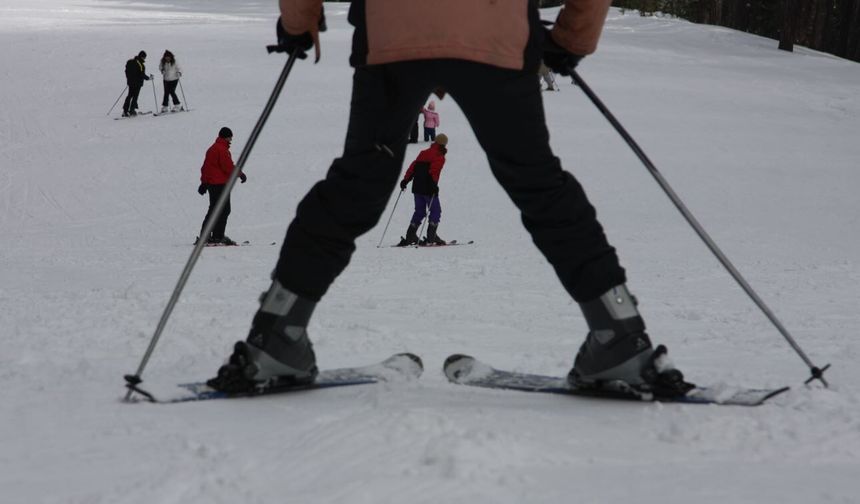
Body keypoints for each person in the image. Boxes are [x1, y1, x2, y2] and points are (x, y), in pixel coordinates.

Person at [206, 0, 692, 398]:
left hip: (394, 32)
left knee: (357, 184)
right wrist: (571, 37)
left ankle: (278, 333)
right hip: (496, 31)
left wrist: (298, 20)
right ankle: (618, 334)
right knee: (539, 184)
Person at [197, 127, 246, 246]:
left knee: (215, 209)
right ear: (225, 137)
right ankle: (217, 236)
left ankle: (208, 236)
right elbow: (228, 167)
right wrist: (240, 174)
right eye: (230, 137)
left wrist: (204, 183)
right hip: (220, 185)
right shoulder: (221, 150)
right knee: (223, 210)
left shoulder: (213, 149)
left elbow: (205, 168)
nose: (231, 139)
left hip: (213, 185)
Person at [397, 134, 449, 246]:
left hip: (417, 188)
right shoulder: (439, 156)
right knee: (436, 211)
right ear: (444, 144)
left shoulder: (423, 153)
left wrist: (405, 180)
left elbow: (413, 167)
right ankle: (431, 236)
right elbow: (434, 172)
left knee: (419, 211)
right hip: (428, 189)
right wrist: (434, 186)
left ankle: (410, 235)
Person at [122, 51, 151, 117]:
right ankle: (132, 110)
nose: (144, 59)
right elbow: (141, 74)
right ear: (142, 57)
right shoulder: (140, 64)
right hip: (137, 84)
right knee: (135, 97)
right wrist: (148, 78)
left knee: (129, 96)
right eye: (144, 57)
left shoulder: (130, 62)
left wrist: (129, 79)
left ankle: (125, 111)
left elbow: (126, 71)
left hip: (130, 82)